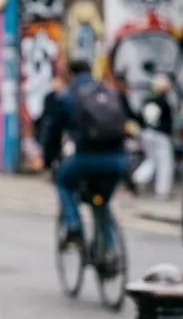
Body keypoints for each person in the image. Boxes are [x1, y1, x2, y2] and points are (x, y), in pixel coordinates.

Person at [39, 59, 133, 250]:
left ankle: (74, 227)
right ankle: (109, 251)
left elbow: (53, 133)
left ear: (70, 74)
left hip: (85, 159)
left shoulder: (68, 97)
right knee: (102, 201)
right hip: (116, 161)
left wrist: (49, 162)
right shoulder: (109, 93)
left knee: (63, 183)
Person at [130, 74, 176, 200]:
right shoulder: (164, 101)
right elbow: (169, 121)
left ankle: (137, 178)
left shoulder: (147, 99)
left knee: (152, 160)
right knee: (165, 162)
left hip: (147, 132)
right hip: (161, 134)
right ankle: (163, 191)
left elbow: (139, 117)